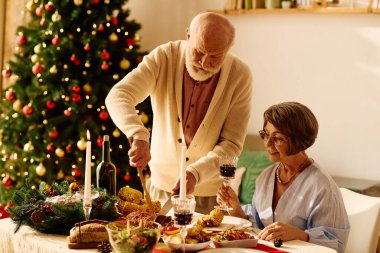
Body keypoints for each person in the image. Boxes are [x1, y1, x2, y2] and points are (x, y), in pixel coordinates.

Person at [105, 12, 252, 213]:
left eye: (215, 56)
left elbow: (232, 144)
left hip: (209, 197)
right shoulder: (164, 57)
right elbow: (118, 95)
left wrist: (195, 174)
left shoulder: (240, 76)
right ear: (188, 35)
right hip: (161, 190)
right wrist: (138, 134)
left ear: (228, 50)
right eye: (199, 52)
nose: (204, 62)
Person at [217, 102, 350, 253]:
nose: (268, 143)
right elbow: (258, 227)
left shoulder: (322, 187)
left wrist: (300, 235)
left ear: (298, 140)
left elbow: (336, 244)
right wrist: (236, 209)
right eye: (266, 135)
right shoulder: (266, 176)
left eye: (277, 138)